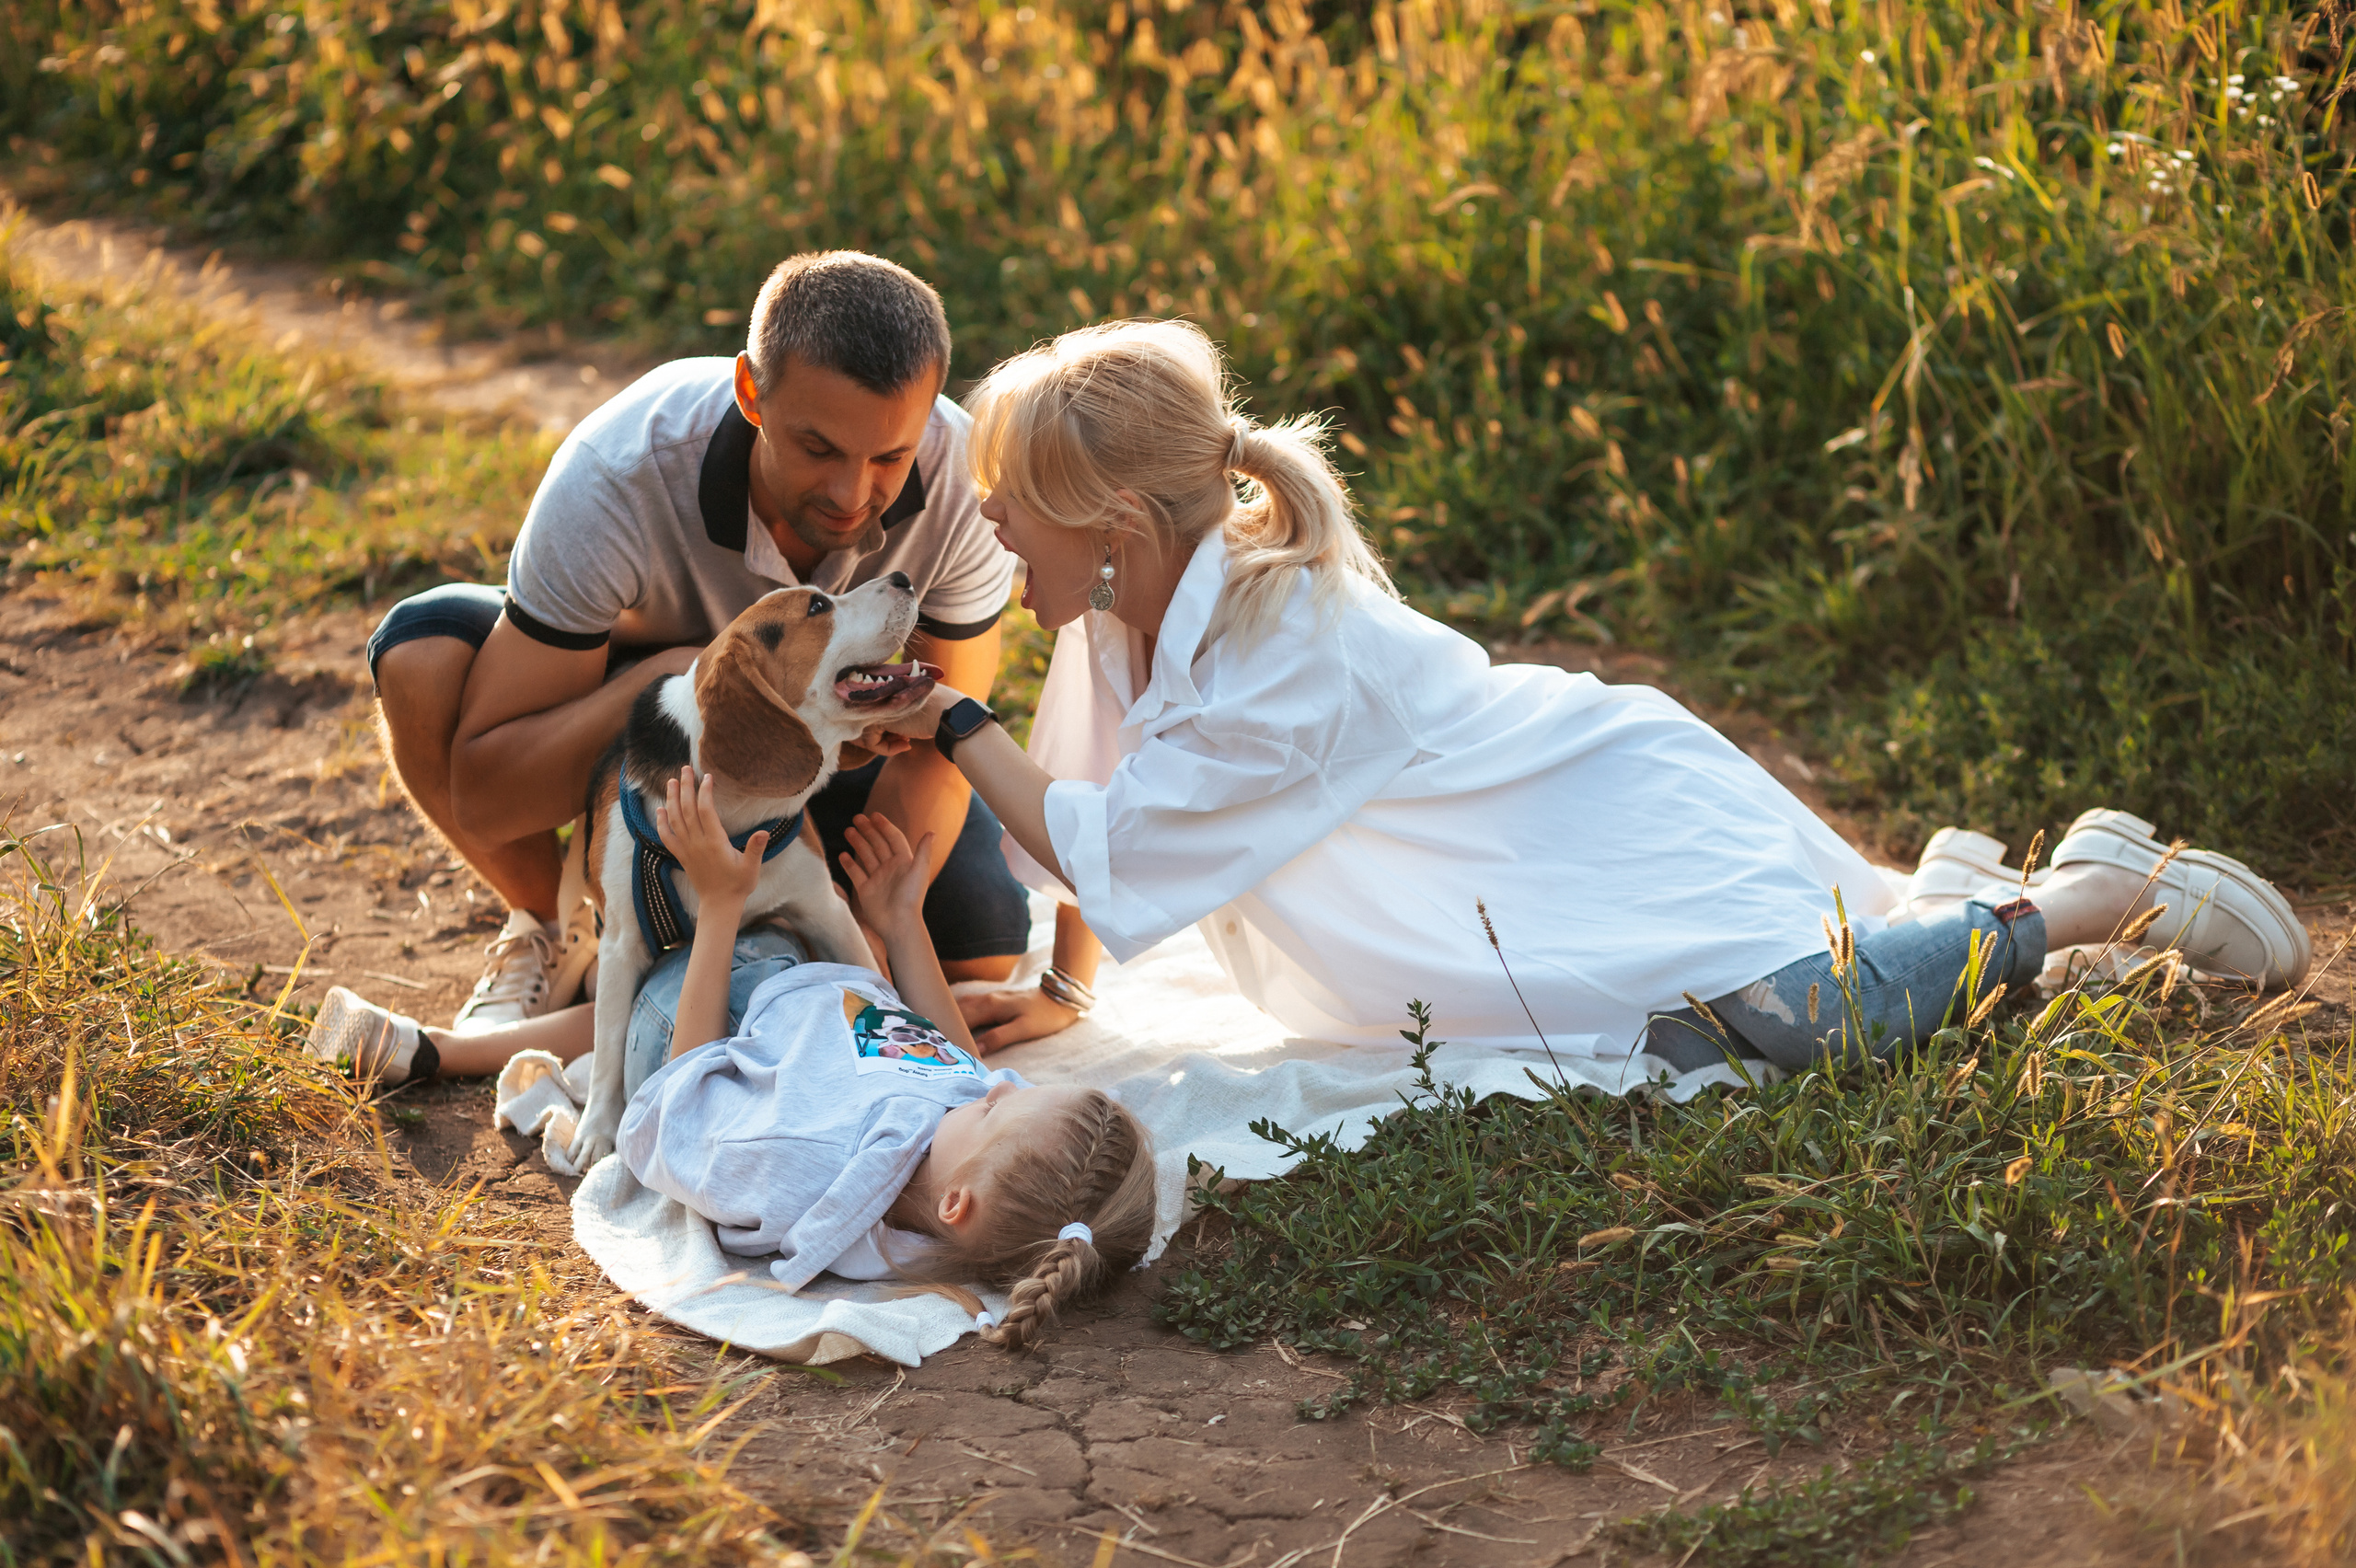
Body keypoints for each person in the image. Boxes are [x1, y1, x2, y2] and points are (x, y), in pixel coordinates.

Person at [875, 318, 2309, 1075]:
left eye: (1011, 509)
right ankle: (1963, 916)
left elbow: (1099, 839)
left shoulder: (1281, 658)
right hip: (1508, 866)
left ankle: (2086, 899)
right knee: (1740, 1022)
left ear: (1118, 518)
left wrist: (948, 717)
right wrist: (1069, 981)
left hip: (1580, 835)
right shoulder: (1135, 601)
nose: (991, 532)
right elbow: (1107, 796)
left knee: (1790, 1030)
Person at [366, 250, 1031, 1039]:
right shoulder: (617, 472)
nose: (854, 495)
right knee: (420, 656)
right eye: (818, 448)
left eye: (890, 457)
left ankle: (723, 934)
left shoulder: (961, 475)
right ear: (751, 391)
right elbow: (486, 795)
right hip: (637, 721)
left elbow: (938, 737)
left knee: (980, 938)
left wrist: (872, 946)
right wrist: (686, 673)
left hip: (819, 744)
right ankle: (560, 926)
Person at [307, 771, 1156, 1350]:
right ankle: (461, 1036)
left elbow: (676, 1100)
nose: (998, 1084)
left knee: (644, 948)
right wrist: (900, 925)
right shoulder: (948, 1146)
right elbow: (955, 1066)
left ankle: (446, 1047)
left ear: (961, 1203)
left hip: (693, 1017)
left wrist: (718, 913)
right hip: (801, 984)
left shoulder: (799, 1169)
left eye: (1003, 1106)